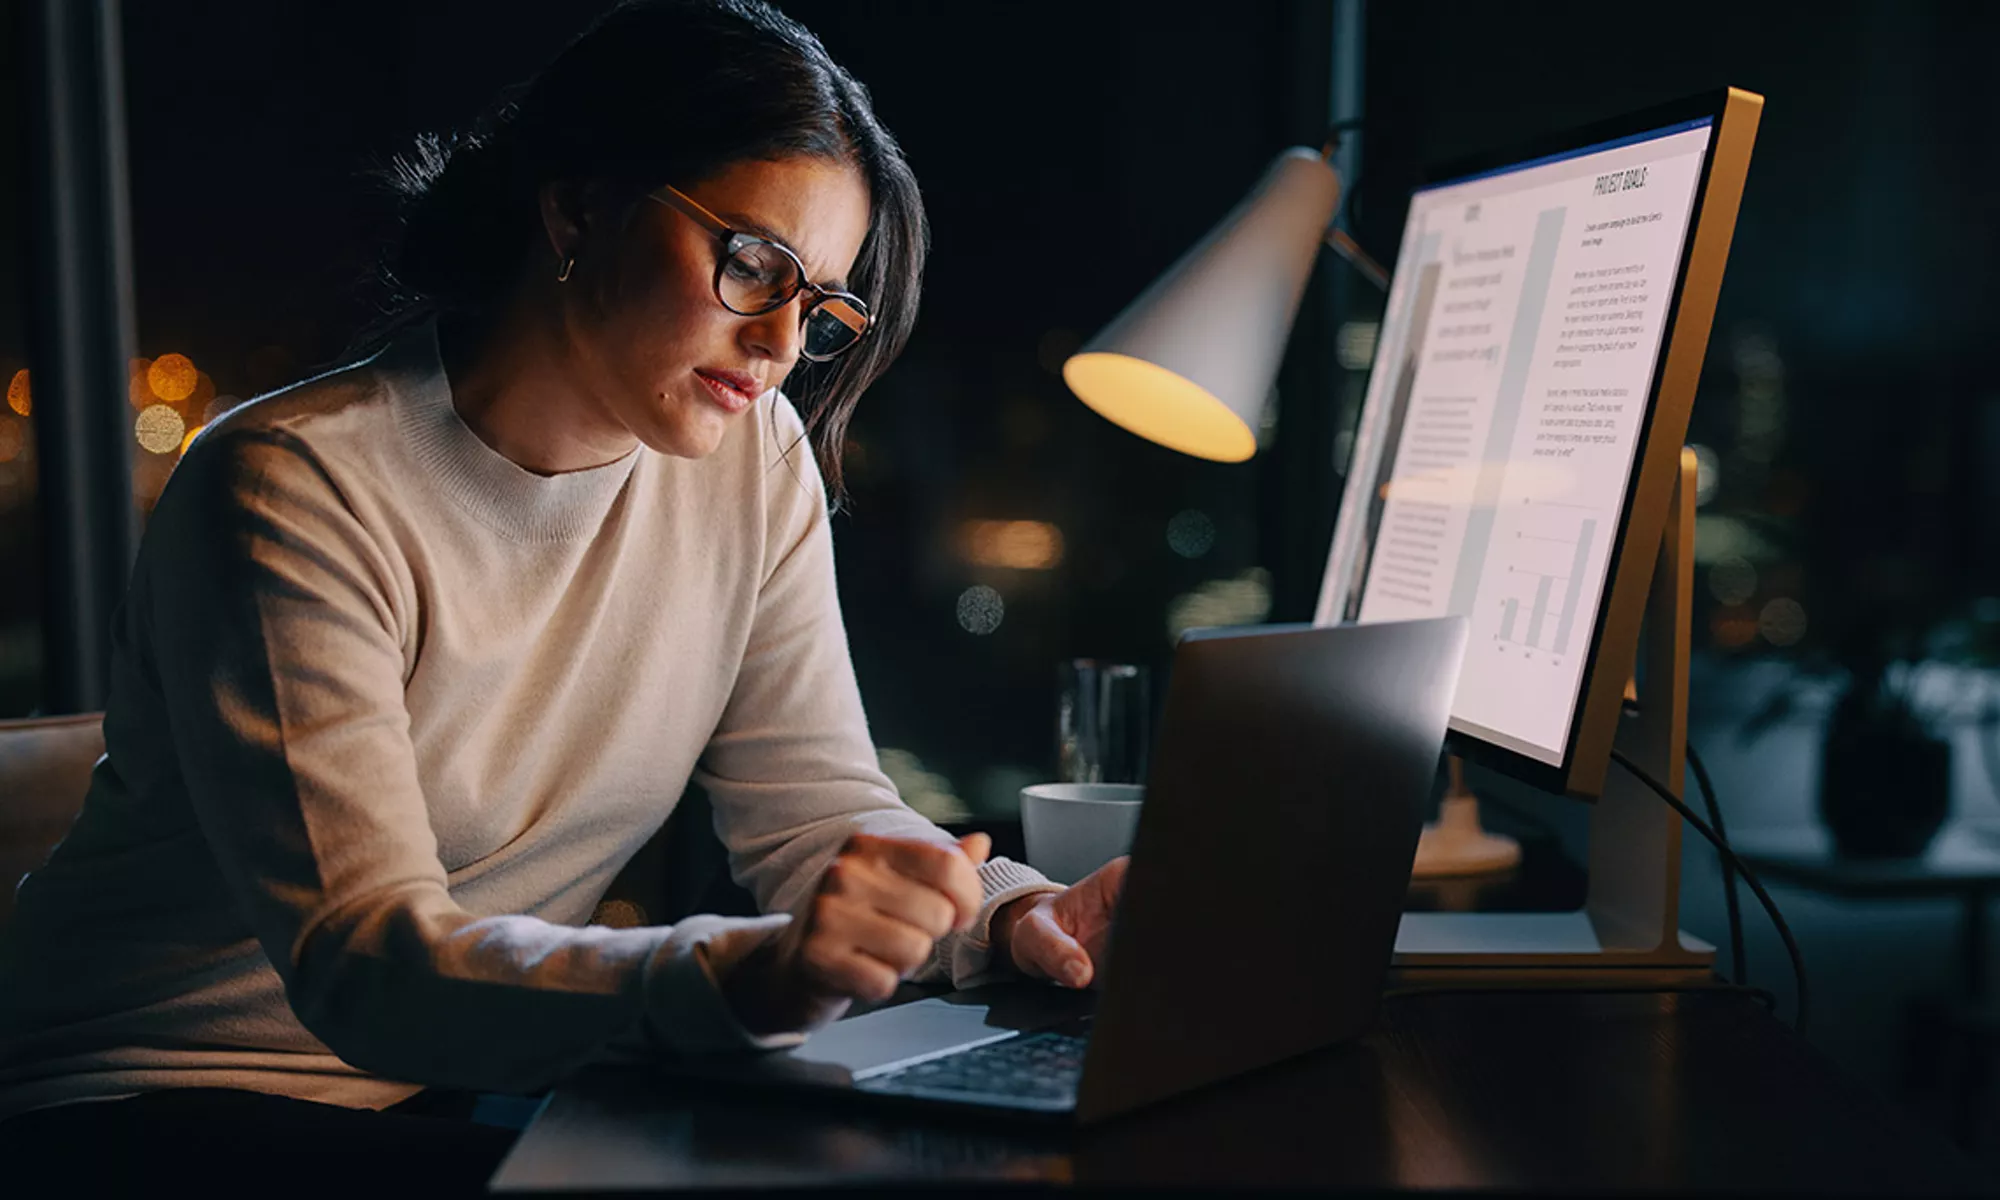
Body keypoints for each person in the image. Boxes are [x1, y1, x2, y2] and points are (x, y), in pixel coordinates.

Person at [0, 0, 1126, 1185]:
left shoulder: (755, 461)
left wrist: (1007, 912)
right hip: (138, 1098)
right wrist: (750, 973)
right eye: (753, 264)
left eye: (822, 305)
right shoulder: (295, 486)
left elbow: (811, 814)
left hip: (447, 1087)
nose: (782, 342)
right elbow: (364, 964)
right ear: (577, 206)